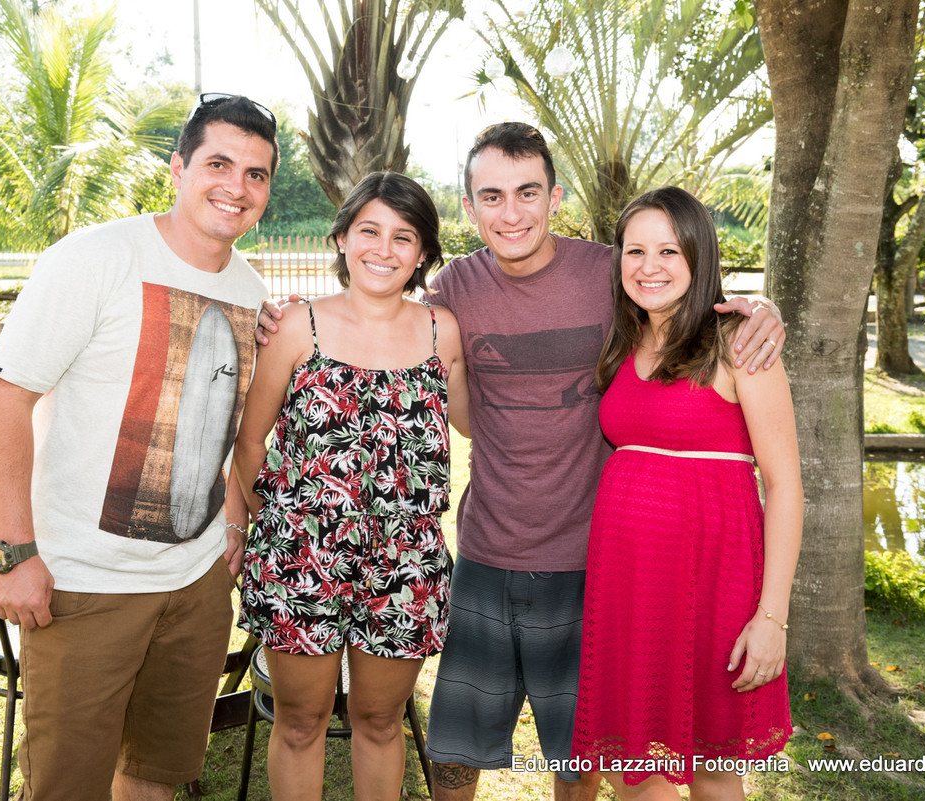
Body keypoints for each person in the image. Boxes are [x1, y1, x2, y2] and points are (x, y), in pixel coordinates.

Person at [256, 122, 785, 801]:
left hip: (595, 558)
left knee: (583, 749)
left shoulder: (613, 272)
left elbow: (684, 303)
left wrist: (763, 312)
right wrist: (282, 321)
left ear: (555, 196)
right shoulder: (451, 292)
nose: (512, 212)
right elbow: (397, 341)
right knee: (454, 750)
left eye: (528, 192)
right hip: (487, 550)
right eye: (492, 196)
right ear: (469, 207)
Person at [0, 94, 279, 801]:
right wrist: (15, 553)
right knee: (65, 786)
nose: (236, 187)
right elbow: (5, 400)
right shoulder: (95, 258)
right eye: (219, 163)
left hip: (197, 587)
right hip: (85, 584)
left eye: (257, 174)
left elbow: (231, 423)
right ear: (178, 167)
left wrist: (233, 518)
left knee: (155, 777)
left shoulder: (248, 286)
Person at [230, 171, 469, 800]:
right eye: (369, 231)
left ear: (422, 254)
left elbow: (478, 418)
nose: (383, 250)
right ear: (341, 238)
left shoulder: (444, 331)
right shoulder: (293, 327)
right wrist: (262, 524)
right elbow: (251, 442)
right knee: (301, 721)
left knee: (380, 721)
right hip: (301, 560)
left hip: (406, 564)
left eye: (404, 236)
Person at [570, 187, 802, 800]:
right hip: (628, 584)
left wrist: (772, 616)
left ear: (699, 256)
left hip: (715, 580)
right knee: (634, 766)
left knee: (712, 765)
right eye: (635, 250)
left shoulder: (738, 343)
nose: (649, 266)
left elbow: (784, 485)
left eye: (669, 250)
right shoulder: (623, 343)